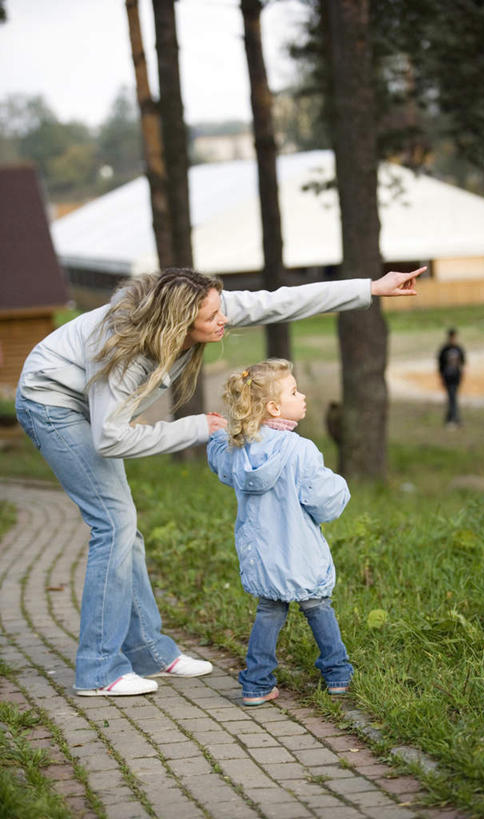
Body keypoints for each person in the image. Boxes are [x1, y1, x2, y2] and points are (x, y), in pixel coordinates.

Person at [15, 265, 424, 697]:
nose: (222, 321)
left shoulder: (204, 310)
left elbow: (281, 300)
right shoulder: (126, 349)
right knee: (113, 526)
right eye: (212, 317)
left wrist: (370, 286)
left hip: (89, 407)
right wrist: (195, 428)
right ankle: (99, 671)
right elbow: (110, 437)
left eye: (219, 309)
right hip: (52, 402)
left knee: (124, 531)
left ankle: (149, 651)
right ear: (178, 321)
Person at [207, 359, 353, 705]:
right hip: (299, 550)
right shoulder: (300, 451)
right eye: (293, 391)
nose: (301, 396)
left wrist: (216, 435)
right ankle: (337, 673)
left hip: (263, 553)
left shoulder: (239, 448)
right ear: (274, 407)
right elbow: (322, 498)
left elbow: (220, 461)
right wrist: (339, 486)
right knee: (317, 605)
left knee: (269, 610)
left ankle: (257, 683)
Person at [437, 327, 466, 427]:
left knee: (453, 398)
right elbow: (440, 365)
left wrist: (462, 375)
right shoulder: (444, 349)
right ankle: (453, 419)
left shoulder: (459, 349)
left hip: (456, 377)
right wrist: (441, 377)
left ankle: (451, 419)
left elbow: (462, 363)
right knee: (451, 398)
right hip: (447, 377)